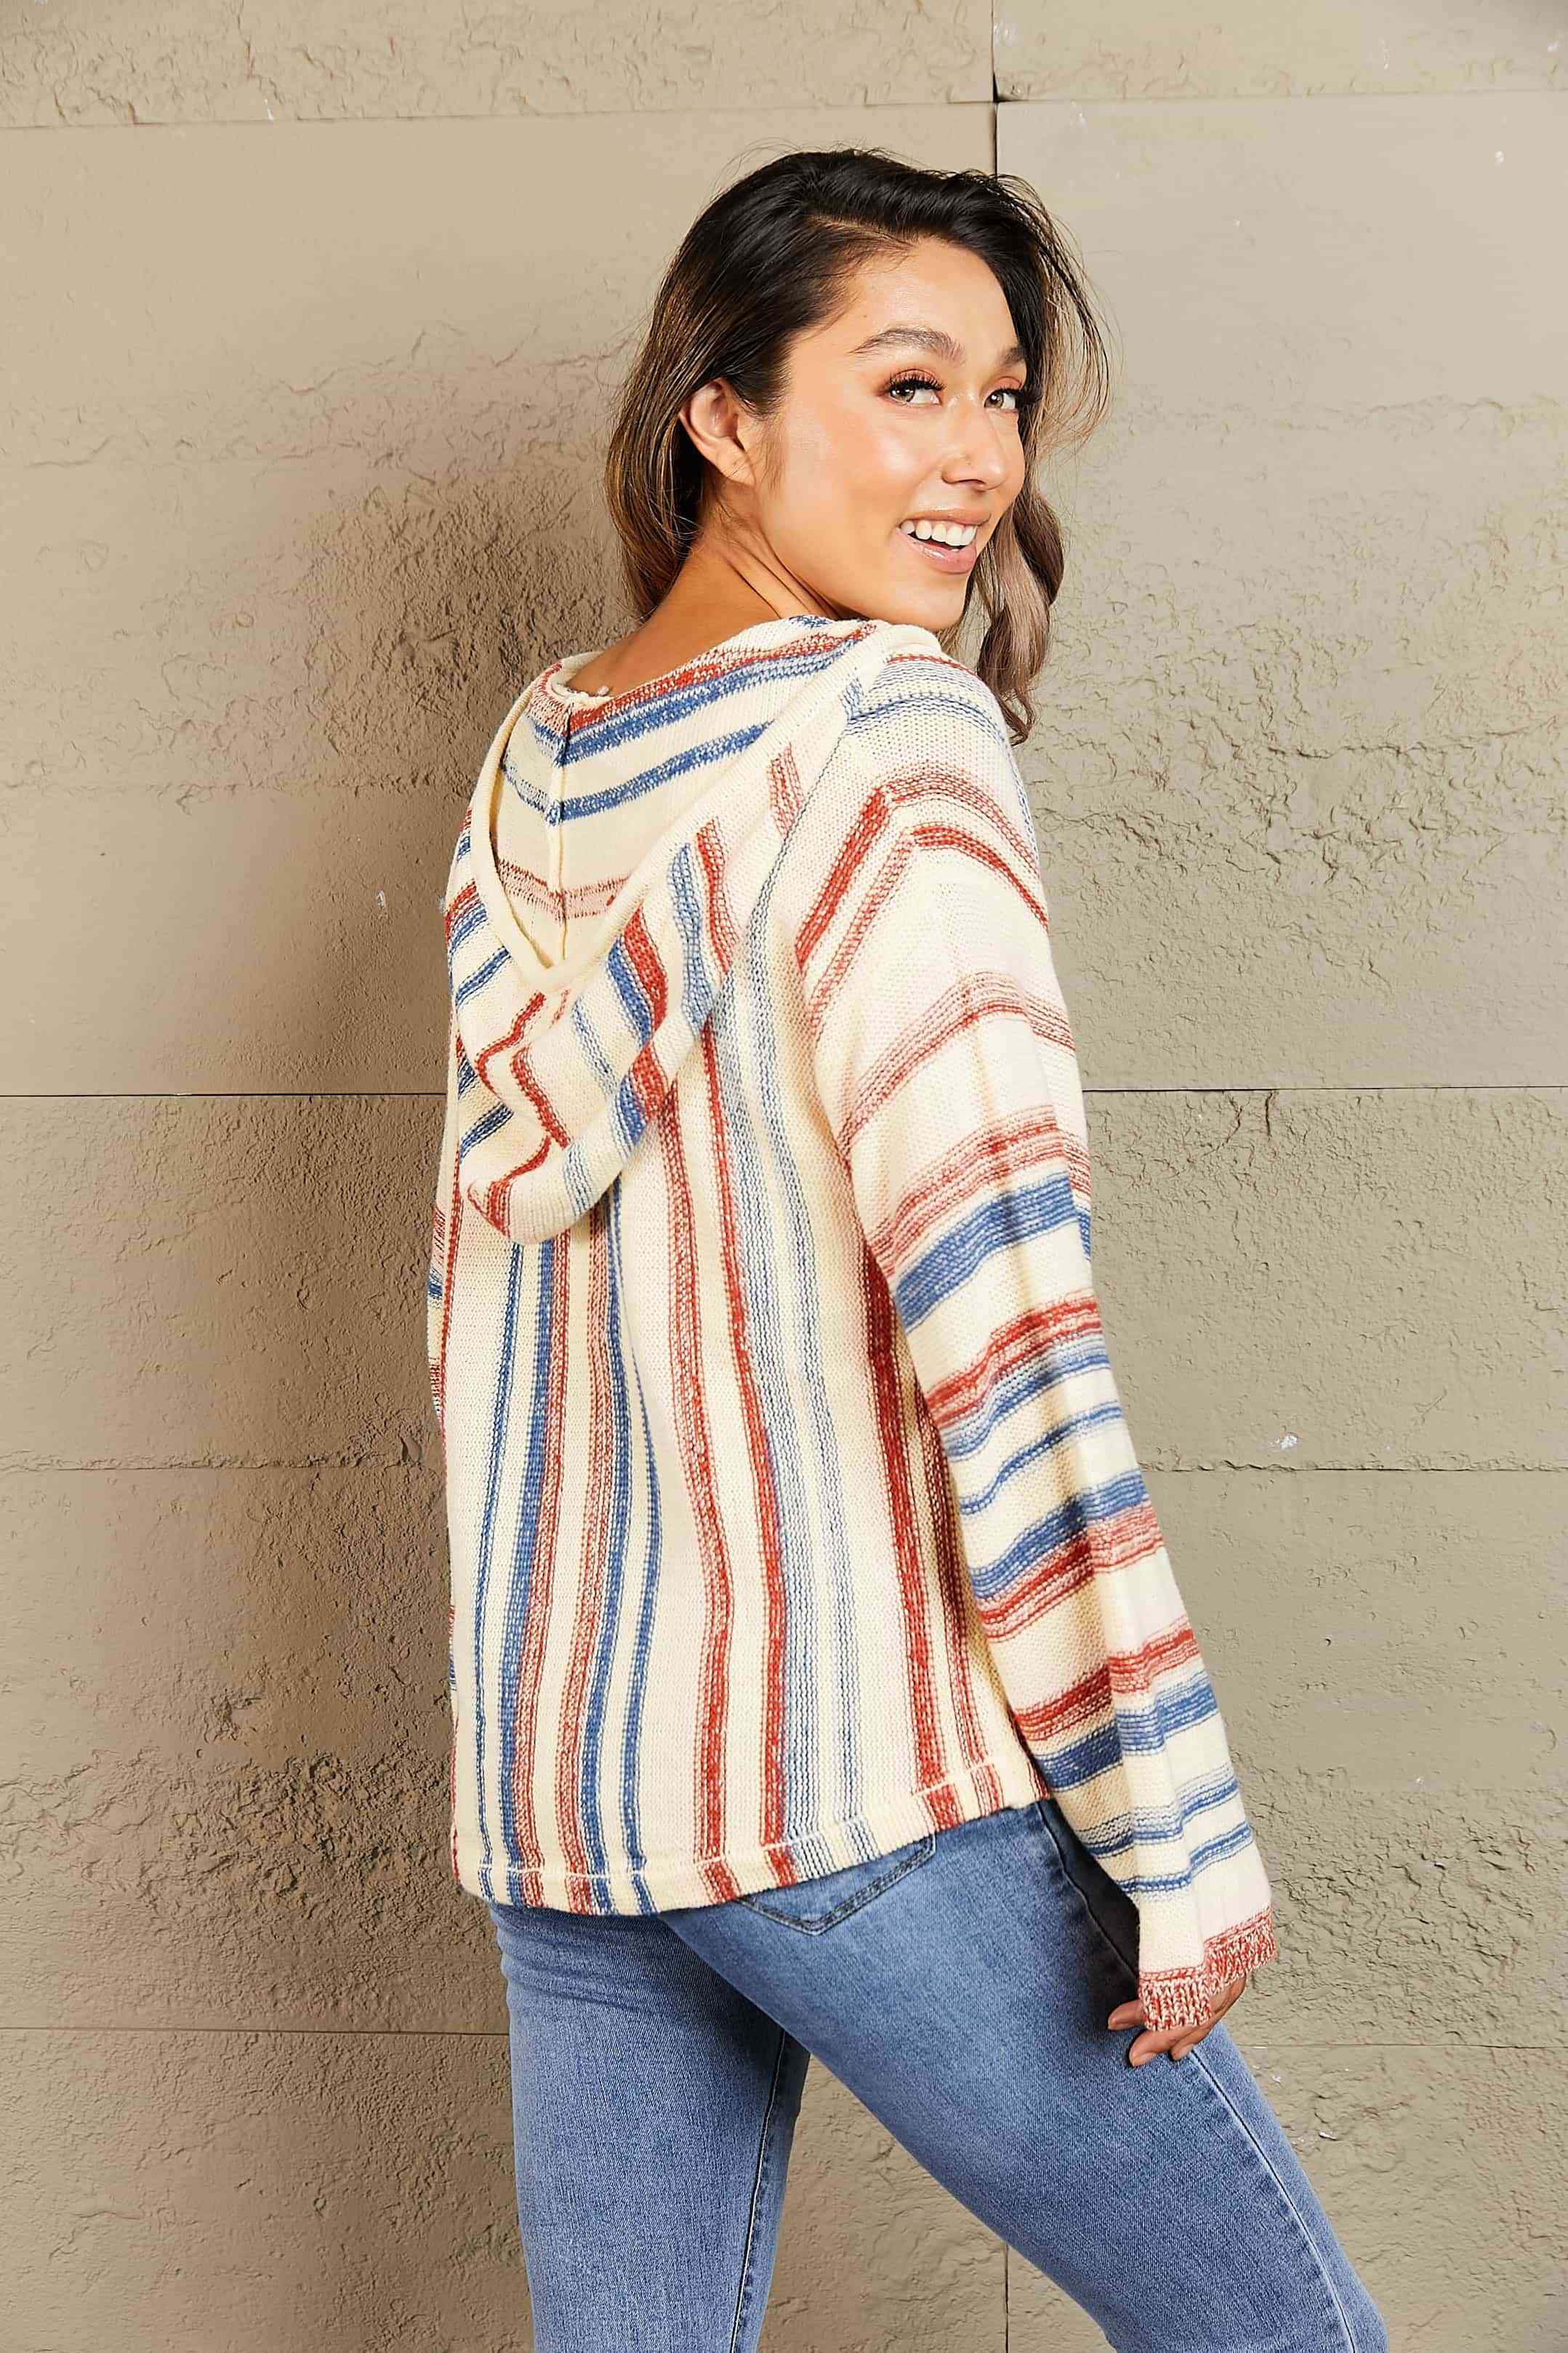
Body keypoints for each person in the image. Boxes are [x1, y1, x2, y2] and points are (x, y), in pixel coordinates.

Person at [426, 145, 1388, 2353]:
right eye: (909, 385)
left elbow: (482, 1292)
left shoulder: (534, 765)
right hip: (848, 1785)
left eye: (1004, 398)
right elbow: (1003, 1306)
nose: (978, 459)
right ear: (724, 415)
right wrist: (1168, 1823)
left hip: (573, 1785)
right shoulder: (894, 747)